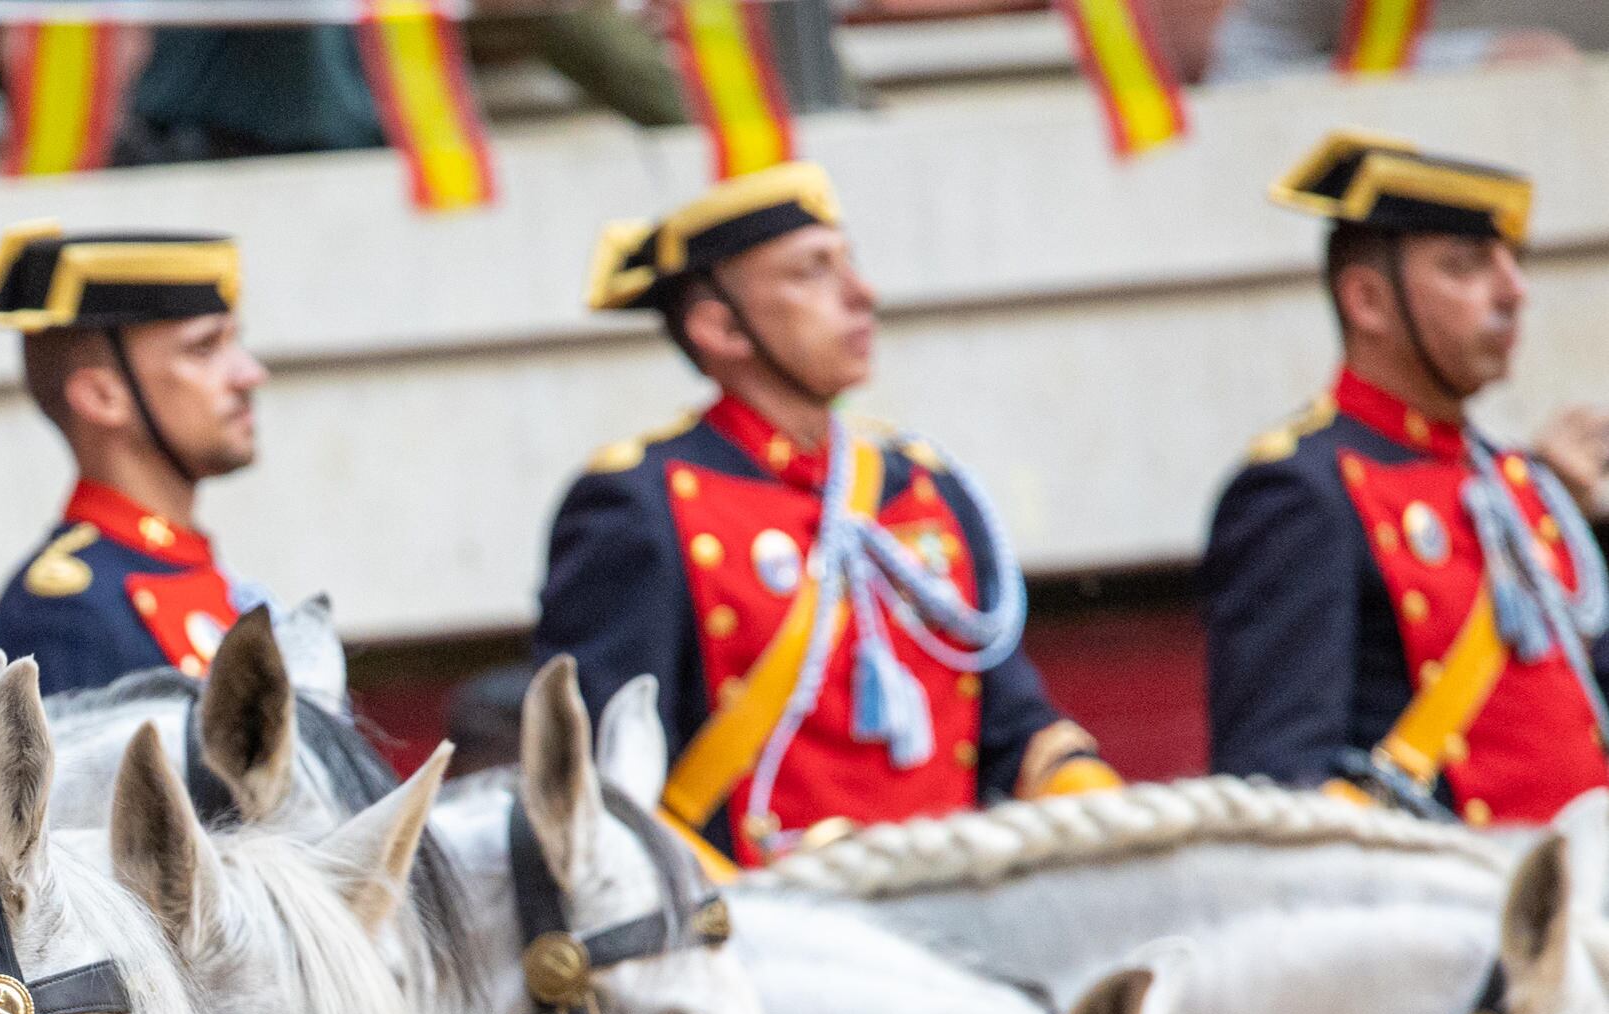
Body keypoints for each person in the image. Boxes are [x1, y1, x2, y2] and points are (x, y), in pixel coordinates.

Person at [530, 162, 1115, 869]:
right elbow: (606, 787)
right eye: (811, 273)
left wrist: (1115, 815)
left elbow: (1013, 728)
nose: (860, 295)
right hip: (769, 942)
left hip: (956, 907)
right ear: (719, 326)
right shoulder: (638, 504)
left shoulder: (922, 484)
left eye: (849, 265)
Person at [1204, 135, 1609, 823]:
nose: (1513, 292)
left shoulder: (1526, 485)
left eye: (1510, 265)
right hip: (1448, 914)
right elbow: (1278, 791)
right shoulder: (1300, 491)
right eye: (1464, 266)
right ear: (1366, 301)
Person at [0, 224, 267, 691]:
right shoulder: (63, 617)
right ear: (103, 396)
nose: (250, 374)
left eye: (234, 342)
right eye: (204, 348)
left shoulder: (203, 576)